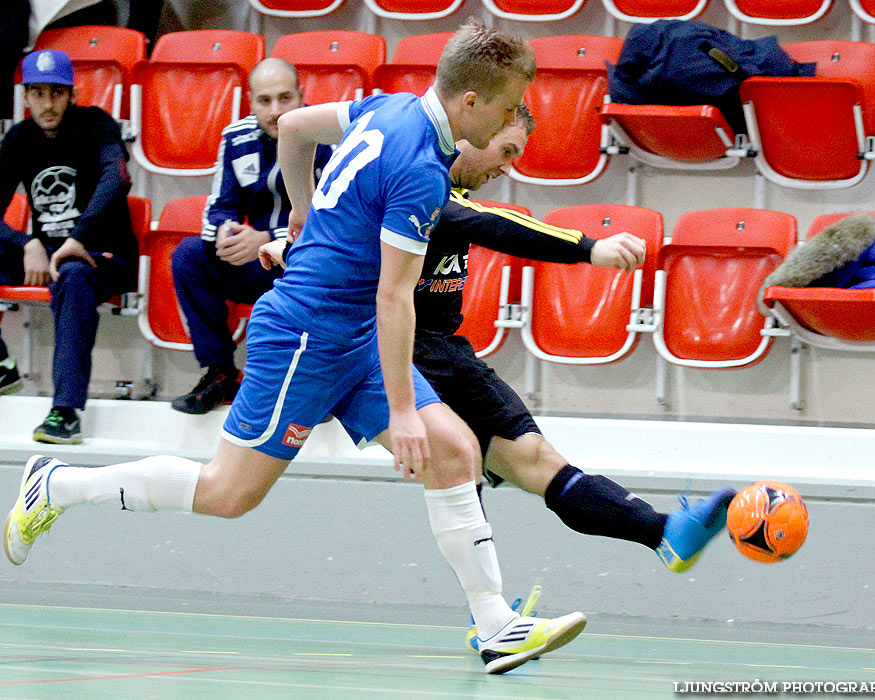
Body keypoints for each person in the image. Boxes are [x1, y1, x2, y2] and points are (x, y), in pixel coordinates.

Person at [4, 21, 584, 676]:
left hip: (350, 333)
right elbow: (395, 299)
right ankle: (57, 485)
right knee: (228, 493)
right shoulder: (421, 170)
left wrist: (301, 214)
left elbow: (296, 127)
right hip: (306, 332)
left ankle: (495, 626)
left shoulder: (391, 107)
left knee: (453, 451)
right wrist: (400, 411)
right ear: (471, 102)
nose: (515, 122)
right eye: (509, 108)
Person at [260, 106, 736, 607]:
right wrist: (589, 247)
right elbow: (490, 224)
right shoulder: (420, 181)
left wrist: (289, 246)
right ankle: (493, 618)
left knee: (532, 459)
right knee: (460, 466)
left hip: (449, 352)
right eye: (505, 149)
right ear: (473, 130)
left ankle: (662, 534)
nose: (505, 167)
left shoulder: (435, 193)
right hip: (404, 353)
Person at [169, 58, 331, 415]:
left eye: (285, 98)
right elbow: (218, 208)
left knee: (328, 260)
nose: (275, 111)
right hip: (256, 263)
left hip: (307, 261)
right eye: (264, 101)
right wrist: (228, 233)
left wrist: (267, 238)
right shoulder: (236, 137)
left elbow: (335, 216)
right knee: (190, 254)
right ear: (250, 101)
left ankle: (317, 384)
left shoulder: (327, 137)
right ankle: (220, 374)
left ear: (302, 96)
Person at [0, 48, 137, 444]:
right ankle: (2, 364)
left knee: (75, 275)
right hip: (46, 255)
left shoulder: (96, 124)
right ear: (25, 97)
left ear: (71, 95)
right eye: (38, 93)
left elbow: (119, 177)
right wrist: (26, 243)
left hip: (102, 254)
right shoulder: (20, 138)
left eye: (56, 93)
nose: (47, 103)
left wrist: (78, 237)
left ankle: (65, 411)